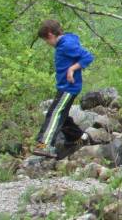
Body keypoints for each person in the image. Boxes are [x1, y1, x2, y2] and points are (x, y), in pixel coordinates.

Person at [32, 20, 94, 158]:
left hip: (68, 87)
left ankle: (44, 145)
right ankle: (79, 138)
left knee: (54, 113)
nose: (47, 44)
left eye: (45, 40)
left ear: (50, 35)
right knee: (62, 115)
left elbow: (88, 57)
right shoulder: (64, 44)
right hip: (64, 87)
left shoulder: (67, 45)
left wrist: (72, 69)